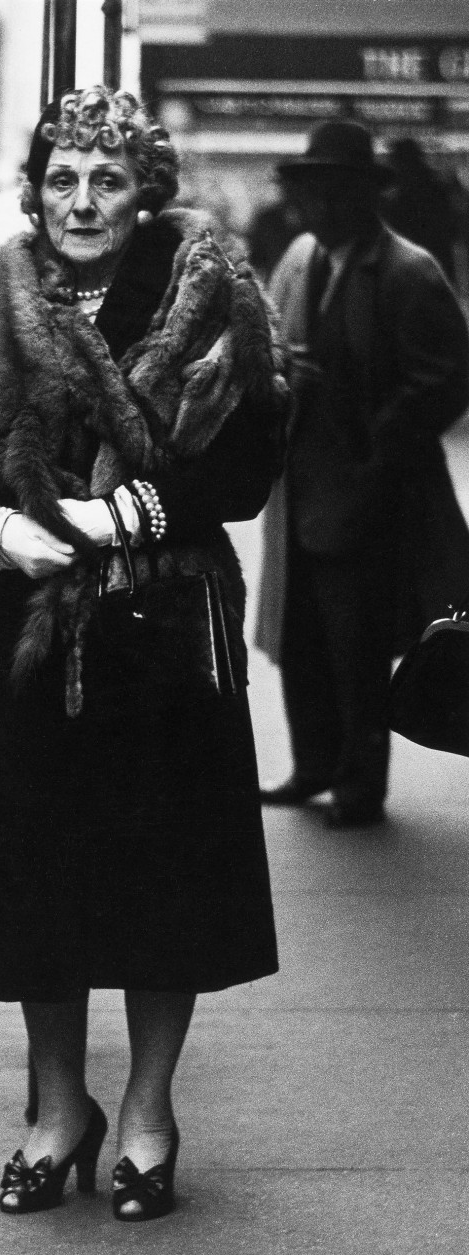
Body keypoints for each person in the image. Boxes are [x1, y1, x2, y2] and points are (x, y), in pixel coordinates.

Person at [0, 86, 288, 1223]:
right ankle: (54, 1109)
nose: (79, 200)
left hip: (165, 629)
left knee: (163, 879)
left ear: (145, 196)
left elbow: (243, 467)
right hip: (34, 636)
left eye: (106, 179)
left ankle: (146, 1113)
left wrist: (113, 520)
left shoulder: (214, 301)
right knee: (39, 876)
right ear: (34, 189)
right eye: (61, 177)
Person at [255, 119, 469, 828]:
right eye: (311, 192)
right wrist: (288, 374)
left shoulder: (407, 270)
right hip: (304, 486)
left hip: (373, 490)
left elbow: (448, 376)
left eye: (332, 191)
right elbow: (267, 350)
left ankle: (358, 782)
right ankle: (314, 763)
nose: (317, 206)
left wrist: (384, 426)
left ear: (361, 195)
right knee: (303, 640)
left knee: (358, 647)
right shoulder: (299, 259)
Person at [382, 137, 458, 282]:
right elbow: (452, 229)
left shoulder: (398, 195)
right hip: (438, 265)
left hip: (412, 267)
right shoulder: (438, 188)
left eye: (395, 160)